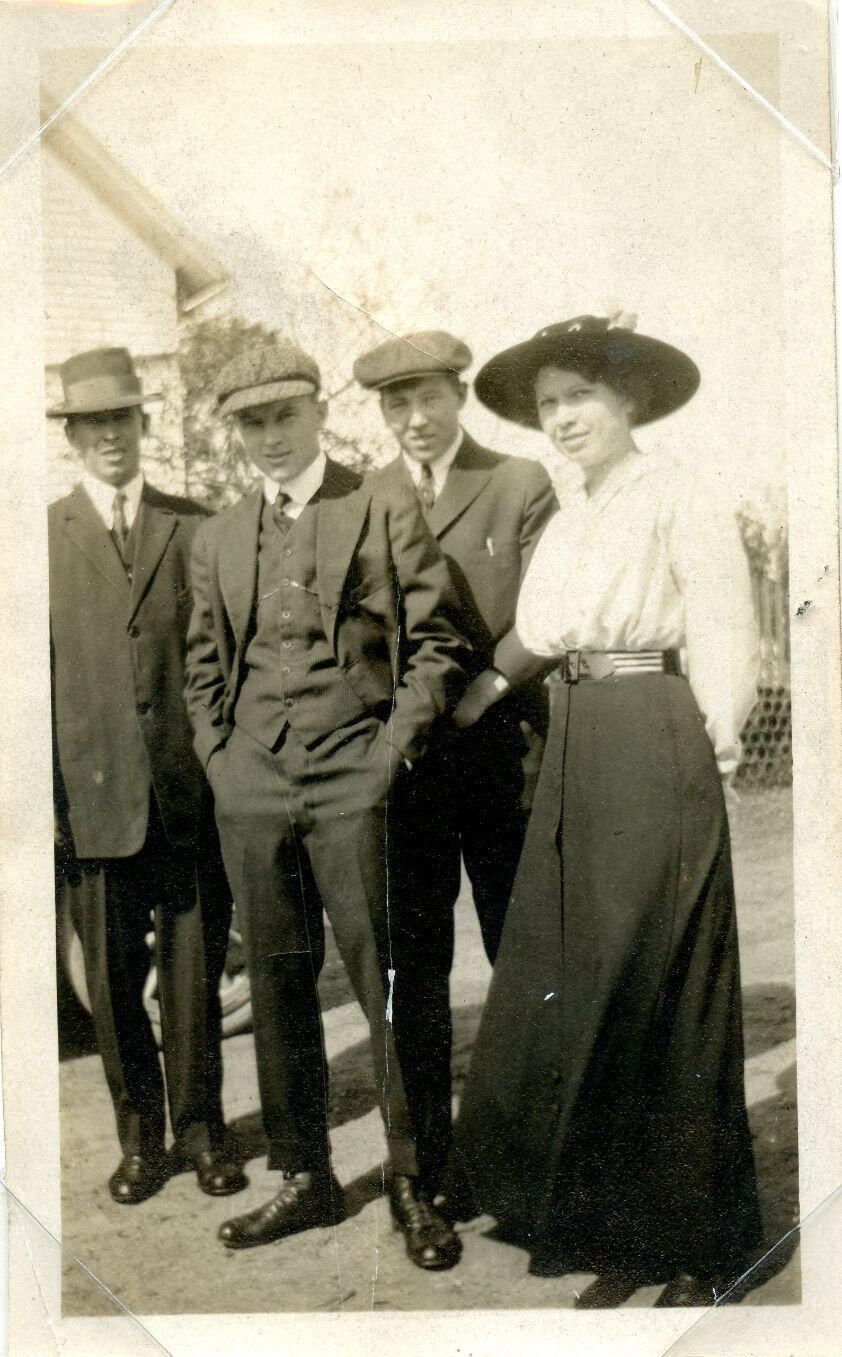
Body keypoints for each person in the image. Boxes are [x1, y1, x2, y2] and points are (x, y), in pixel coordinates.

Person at [447, 314, 764, 1307]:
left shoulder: (676, 493)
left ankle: (698, 1245)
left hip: (651, 733)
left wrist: (711, 752)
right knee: (589, 982)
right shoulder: (573, 508)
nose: (562, 417)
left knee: (662, 976)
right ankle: (615, 1229)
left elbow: (722, 625)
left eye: (579, 395)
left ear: (627, 399)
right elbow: (539, 632)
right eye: (547, 404)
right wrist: (464, 704)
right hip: (578, 744)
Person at [184, 340, 472, 1269]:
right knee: (275, 983)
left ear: (318, 412)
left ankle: (414, 1181)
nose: (271, 436)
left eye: (285, 416)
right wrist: (222, 759)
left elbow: (437, 641)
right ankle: (304, 1175)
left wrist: (389, 754)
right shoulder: (217, 536)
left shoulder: (379, 501)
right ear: (237, 433)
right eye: (252, 423)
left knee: (389, 975)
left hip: (359, 771)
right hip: (253, 782)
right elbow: (202, 664)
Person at [353, 330, 557, 1198]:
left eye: (430, 397)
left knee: (525, 957)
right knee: (416, 970)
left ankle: (535, 1158)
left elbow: (549, 609)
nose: (416, 418)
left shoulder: (518, 481)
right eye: (397, 404)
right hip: (412, 771)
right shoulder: (363, 497)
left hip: (505, 755)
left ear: (460, 396)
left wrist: (482, 688)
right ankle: (428, 1164)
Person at [49, 346, 246, 1206]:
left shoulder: (194, 525)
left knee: (195, 977)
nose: (110, 436)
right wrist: (50, 805)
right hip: (91, 803)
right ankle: (141, 1144)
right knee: (112, 983)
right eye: (93, 424)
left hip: (186, 797)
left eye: (122, 419)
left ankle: (204, 1133)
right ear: (73, 437)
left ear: (143, 424)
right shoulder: (37, 539)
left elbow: (225, 661)